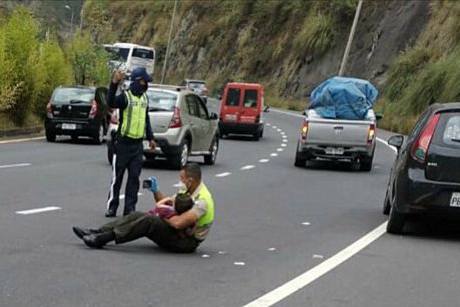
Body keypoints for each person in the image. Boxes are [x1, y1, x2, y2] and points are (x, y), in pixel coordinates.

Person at [72, 163, 215, 253]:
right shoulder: (187, 191)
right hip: (176, 232)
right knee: (135, 215)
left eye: (182, 179)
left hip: (186, 242)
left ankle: (103, 238)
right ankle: (97, 231)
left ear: (190, 181)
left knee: (150, 220)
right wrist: (156, 191)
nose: (180, 181)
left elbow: (178, 223)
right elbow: (167, 205)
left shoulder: (202, 201)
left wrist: (161, 212)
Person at [106, 67, 156, 217]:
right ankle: (112, 207)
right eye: (143, 81)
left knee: (134, 179)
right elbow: (111, 102)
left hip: (137, 145)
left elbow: (146, 120)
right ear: (136, 81)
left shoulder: (145, 99)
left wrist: (151, 138)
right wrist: (114, 84)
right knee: (117, 178)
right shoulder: (125, 97)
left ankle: (130, 209)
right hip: (122, 144)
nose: (146, 84)